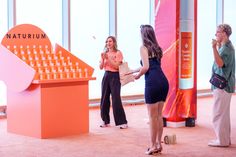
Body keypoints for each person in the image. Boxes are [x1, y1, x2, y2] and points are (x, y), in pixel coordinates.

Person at [131, 25, 169, 155]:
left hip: (152, 82)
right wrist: (133, 70)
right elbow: (152, 65)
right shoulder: (157, 48)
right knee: (159, 115)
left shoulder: (143, 48)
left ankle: (152, 146)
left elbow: (146, 67)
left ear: (143, 34)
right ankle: (158, 144)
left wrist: (138, 75)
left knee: (152, 117)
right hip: (163, 82)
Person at [208, 24, 235, 147]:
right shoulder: (226, 46)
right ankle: (224, 139)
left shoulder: (227, 49)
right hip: (226, 85)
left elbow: (220, 63)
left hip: (222, 86)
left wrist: (213, 47)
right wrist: (218, 46)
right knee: (223, 114)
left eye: (217, 32)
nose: (216, 34)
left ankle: (222, 141)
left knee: (218, 114)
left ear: (224, 33)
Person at [99, 36, 128, 129]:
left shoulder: (118, 53)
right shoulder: (105, 53)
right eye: (107, 41)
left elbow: (117, 67)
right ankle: (105, 121)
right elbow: (101, 67)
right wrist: (103, 59)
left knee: (116, 99)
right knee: (104, 99)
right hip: (106, 75)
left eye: (110, 41)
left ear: (114, 42)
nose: (108, 43)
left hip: (114, 76)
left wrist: (109, 58)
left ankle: (123, 122)